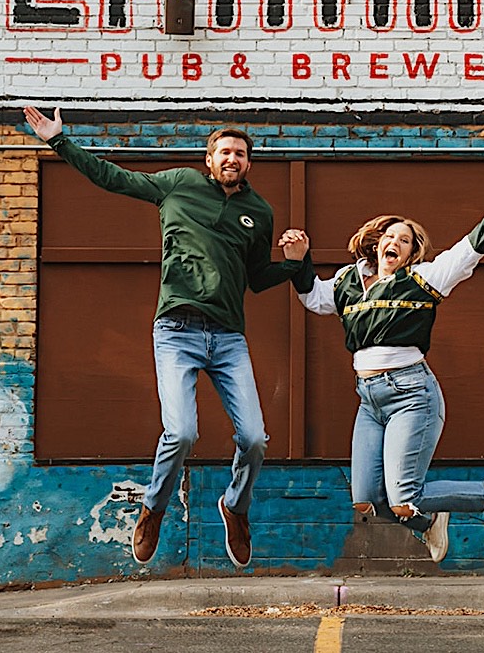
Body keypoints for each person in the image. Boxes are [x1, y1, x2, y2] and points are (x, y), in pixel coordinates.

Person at [24, 106, 303, 568]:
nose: (232, 158)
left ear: (249, 163)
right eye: (224, 151)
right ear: (209, 158)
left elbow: (256, 278)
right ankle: (153, 508)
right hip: (177, 332)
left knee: (255, 438)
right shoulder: (178, 184)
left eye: (240, 153)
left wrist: (295, 262)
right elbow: (113, 178)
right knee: (182, 432)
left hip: (228, 338)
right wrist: (60, 141)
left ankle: (235, 507)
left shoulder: (258, 212)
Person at [277, 179, 484, 562]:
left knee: (404, 497)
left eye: (404, 240)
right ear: (375, 242)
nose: (395, 243)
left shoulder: (423, 279)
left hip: (412, 394)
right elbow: (314, 299)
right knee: (367, 499)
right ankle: (429, 521)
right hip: (369, 400)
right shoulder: (347, 282)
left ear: (411, 253)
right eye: (390, 236)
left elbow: (470, 249)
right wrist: (300, 259)